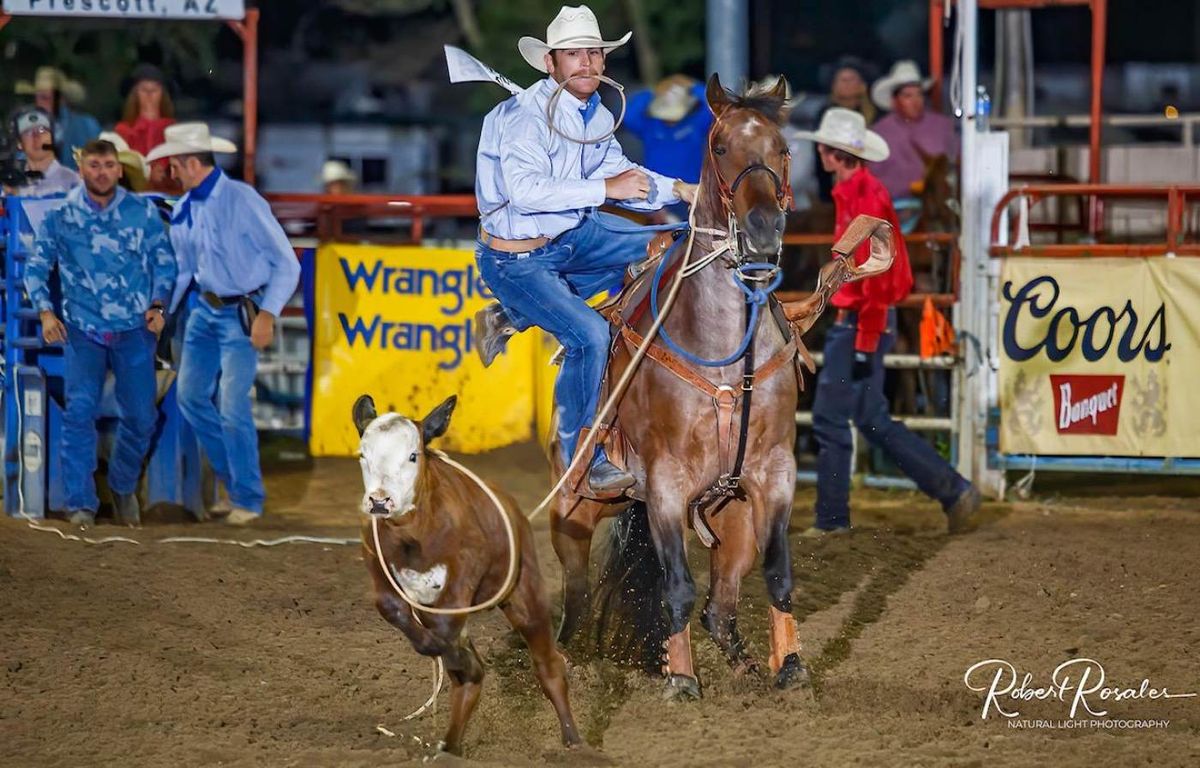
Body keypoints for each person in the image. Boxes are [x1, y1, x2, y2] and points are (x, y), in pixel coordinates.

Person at [473, 4, 696, 495]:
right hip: (515, 259)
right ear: (550, 63)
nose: (587, 63)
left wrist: (681, 190)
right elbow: (527, 191)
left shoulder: (591, 114)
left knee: (670, 242)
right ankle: (581, 455)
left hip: (570, 239)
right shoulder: (519, 117)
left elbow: (624, 175)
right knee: (589, 336)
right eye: (574, 54)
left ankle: (512, 317)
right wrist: (605, 190)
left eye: (594, 53)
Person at [795, 108, 979, 536]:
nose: (820, 152)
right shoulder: (861, 195)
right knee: (870, 418)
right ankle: (952, 489)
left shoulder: (864, 198)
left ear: (833, 153)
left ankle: (832, 519)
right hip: (863, 320)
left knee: (829, 418)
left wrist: (864, 340)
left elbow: (878, 274)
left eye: (824, 147)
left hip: (860, 321)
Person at [147, 123, 301, 525]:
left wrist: (268, 313)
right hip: (205, 310)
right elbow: (184, 272)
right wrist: (163, 308)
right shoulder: (185, 209)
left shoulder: (242, 200)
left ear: (192, 163)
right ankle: (238, 488)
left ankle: (246, 496)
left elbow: (286, 261)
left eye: (175, 165)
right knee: (192, 397)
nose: (171, 173)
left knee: (230, 406)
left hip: (240, 312)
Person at [25, 139, 177, 528]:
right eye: (94, 165)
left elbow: (165, 264)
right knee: (79, 413)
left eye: (109, 165)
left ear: (119, 169)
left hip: (134, 330)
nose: (102, 172)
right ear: (82, 169)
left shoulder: (141, 212)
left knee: (142, 416)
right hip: (82, 330)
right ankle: (81, 503)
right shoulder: (61, 215)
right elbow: (36, 268)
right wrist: (45, 312)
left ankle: (123, 487)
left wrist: (159, 305)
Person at [869, 60, 958, 201]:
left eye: (919, 95)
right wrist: (908, 187)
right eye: (908, 96)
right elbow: (872, 180)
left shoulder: (942, 126)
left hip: (940, 201)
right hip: (897, 205)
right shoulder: (879, 133)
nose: (916, 101)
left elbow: (957, 162)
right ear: (894, 101)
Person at [622, 74, 711, 185]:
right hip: (657, 189)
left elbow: (712, 107)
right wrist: (653, 91)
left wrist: (692, 86)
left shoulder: (695, 124)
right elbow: (629, 116)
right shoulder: (650, 126)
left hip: (690, 188)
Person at [15, 67, 101, 171]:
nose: (39, 103)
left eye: (45, 98)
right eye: (37, 97)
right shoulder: (28, 126)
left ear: (61, 99)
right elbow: (20, 162)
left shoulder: (86, 125)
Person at [815, 56, 877, 202]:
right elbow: (820, 160)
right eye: (843, 80)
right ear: (833, 85)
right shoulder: (826, 114)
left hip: (871, 188)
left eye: (852, 79)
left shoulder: (874, 114)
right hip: (834, 190)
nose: (847, 84)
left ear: (862, 85)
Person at [114, 64, 178, 192]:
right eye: (144, 89)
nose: (149, 94)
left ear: (162, 94)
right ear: (135, 94)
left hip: (169, 196)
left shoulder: (174, 129)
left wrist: (165, 173)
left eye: (154, 89)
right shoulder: (123, 130)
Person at [2, 109, 79, 197]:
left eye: (42, 130)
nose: (36, 137)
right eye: (28, 132)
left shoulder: (72, 181)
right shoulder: (10, 184)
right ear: (19, 144)